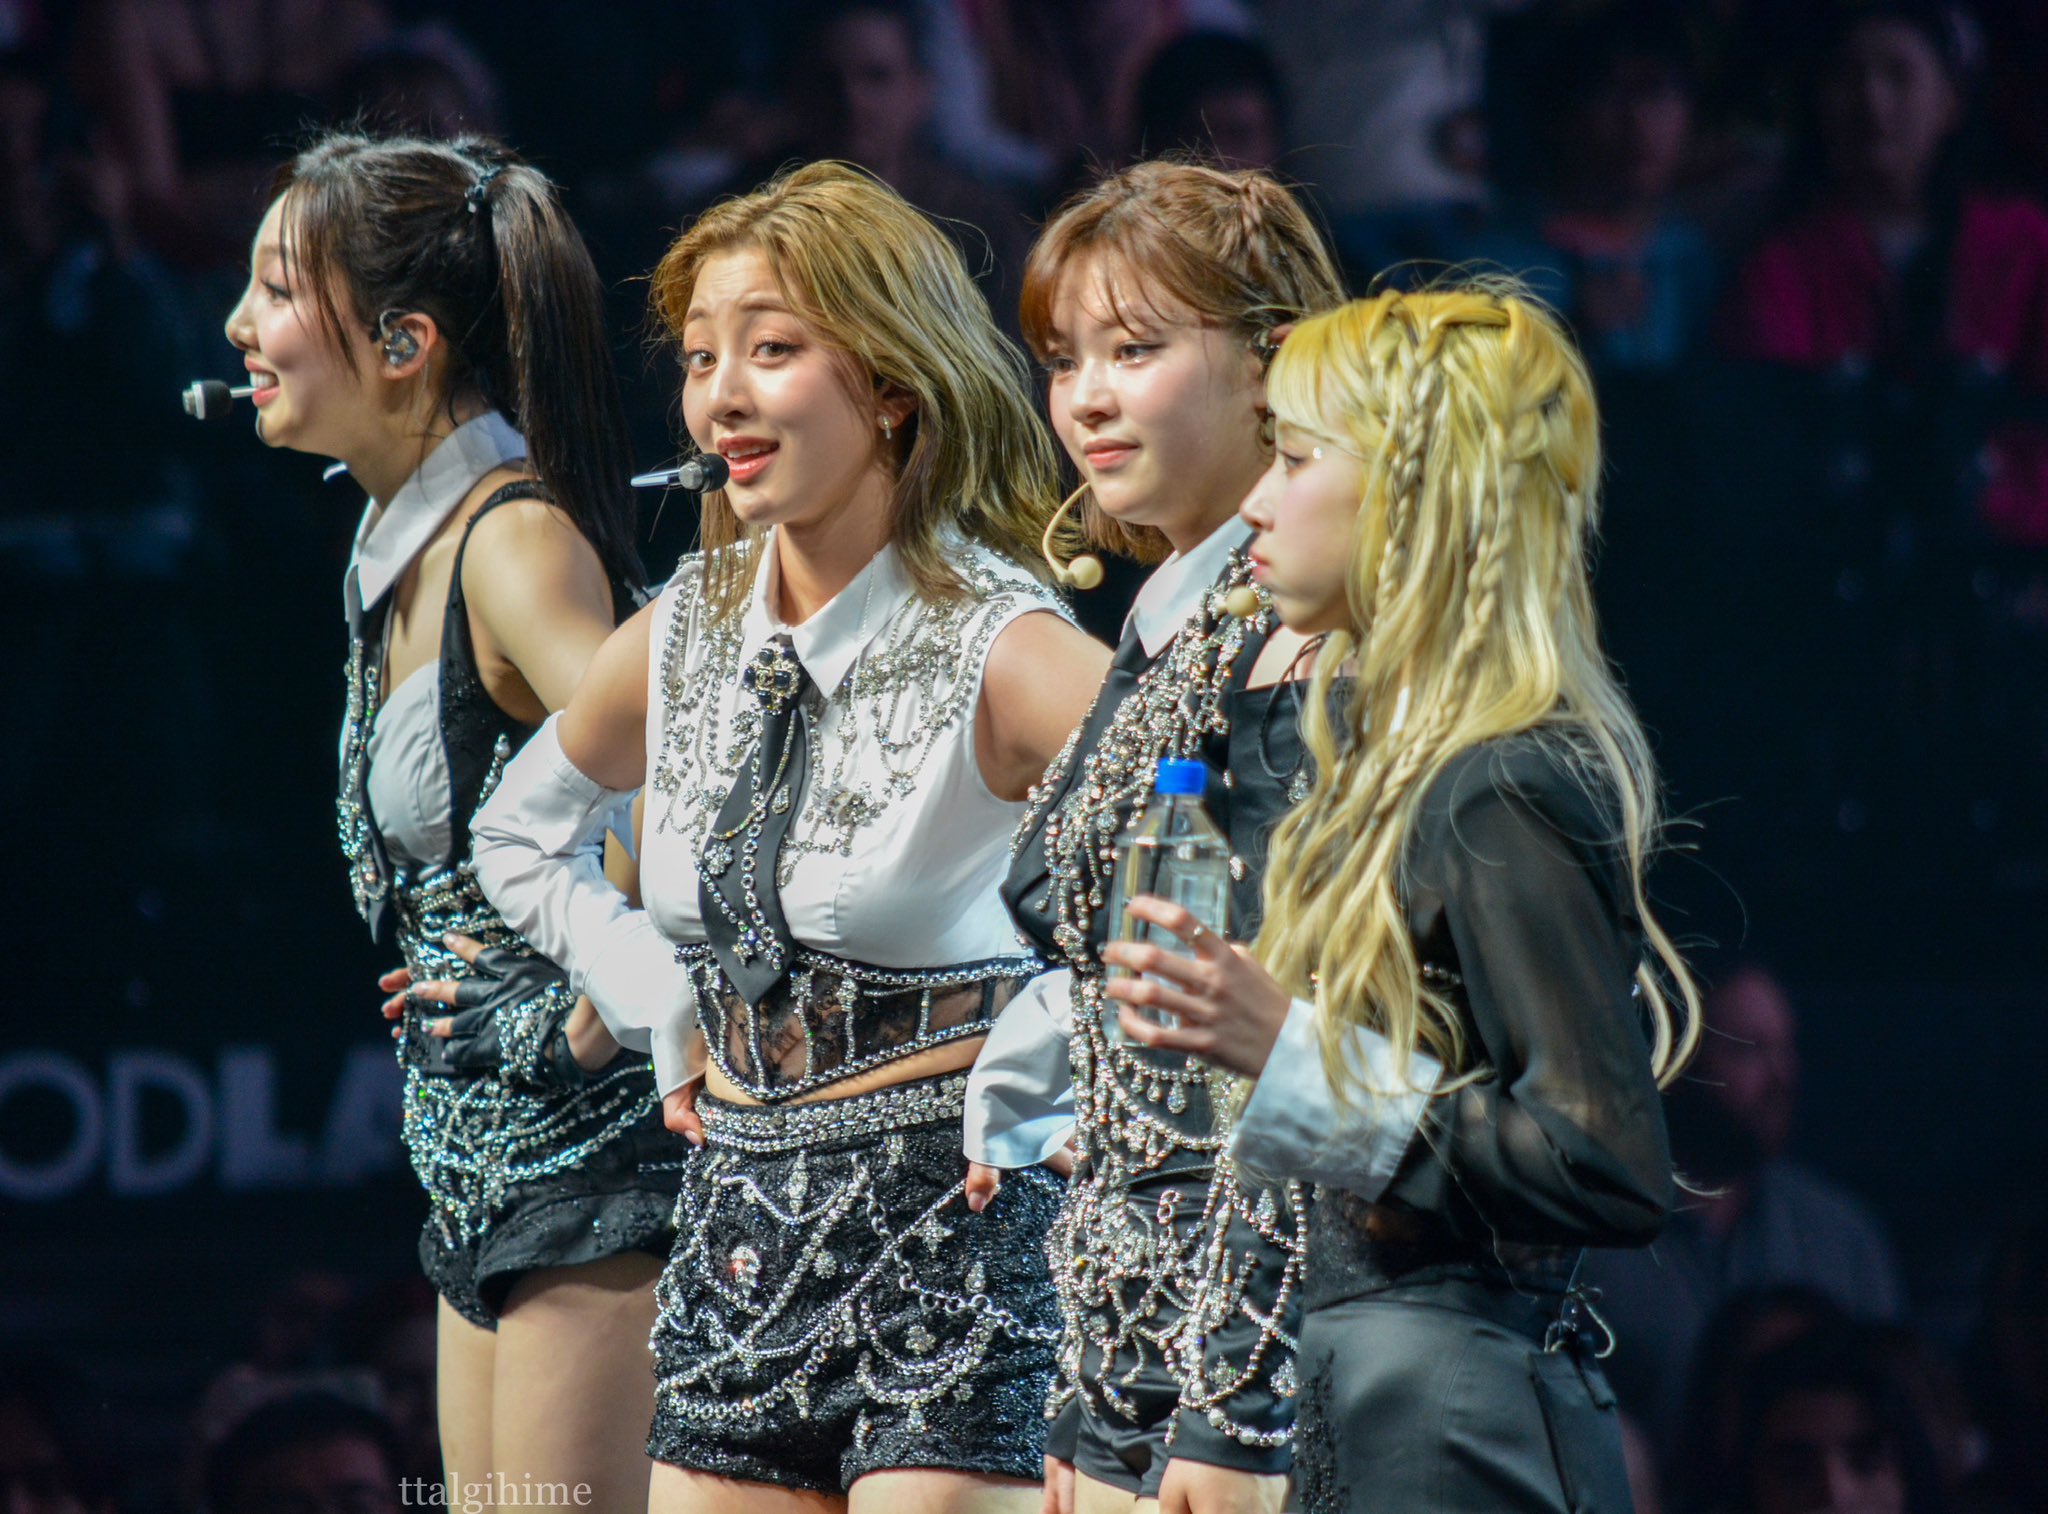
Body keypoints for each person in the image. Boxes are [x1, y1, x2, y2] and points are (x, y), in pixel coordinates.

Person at [468, 160, 1112, 1511]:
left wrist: (1057, 1033)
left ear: (891, 383)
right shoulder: (683, 626)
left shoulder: (1003, 644)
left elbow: (1233, 854)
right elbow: (517, 835)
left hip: (961, 1229)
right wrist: (650, 988)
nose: (720, 394)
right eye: (701, 357)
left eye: (770, 348)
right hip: (733, 1236)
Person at [1105, 284, 1700, 1511]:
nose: (1256, 501)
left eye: (1295, 459)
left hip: (1447, 1421)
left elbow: (1604, 1159)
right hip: (1355, 1398)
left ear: (1412, 497)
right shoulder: (1382, 767)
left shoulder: (1498, 780)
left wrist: (1289, 1049)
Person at [222, 129, 677, 1502]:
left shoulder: (512, 540)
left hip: (590, 1164)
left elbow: (681, 798)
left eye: (275, 291)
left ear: (405, 342)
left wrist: (578, 1021)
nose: (238, 326)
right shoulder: (400, 540)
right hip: (477, 1163)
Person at [959, 158, 1345, 1514]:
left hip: (1229, 1356)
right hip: (1131, 1334)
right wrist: (1092, 1383)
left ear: (1270, 363)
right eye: (1064, 359)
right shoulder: (1177, 613)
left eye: (1134, 350)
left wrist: (1238, 1410)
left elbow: (1295, 1042)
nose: (1085, 398)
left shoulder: (1290, 633)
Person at [1591, 964, 1907, 1440]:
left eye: (1786, 1049)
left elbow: (1898, 1413)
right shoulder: (1590, 1239)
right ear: (1675, 1064)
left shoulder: (1840, 1238)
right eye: (1749, 1050)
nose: (1783, 1077)